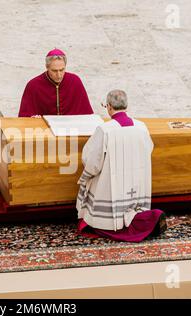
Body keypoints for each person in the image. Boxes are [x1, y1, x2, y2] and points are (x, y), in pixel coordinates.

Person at [76, 90, 167, 242]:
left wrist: (87, 176)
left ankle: (120, 222)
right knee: (132, 207)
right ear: (127, 106)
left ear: (109, 107)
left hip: (111, 185)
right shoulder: (141, 127)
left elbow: (92, 162)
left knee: (93, 186)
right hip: (135, 181)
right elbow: (148, 149)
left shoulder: (105, 130)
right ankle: (146, 218)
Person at [18, 49, 94, 117]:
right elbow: (25, 118)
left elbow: (87, 115)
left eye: (61, 70)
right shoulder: (33, 85)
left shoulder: (75, 81)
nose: (59, 75)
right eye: (54, 71)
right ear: (47, 67)